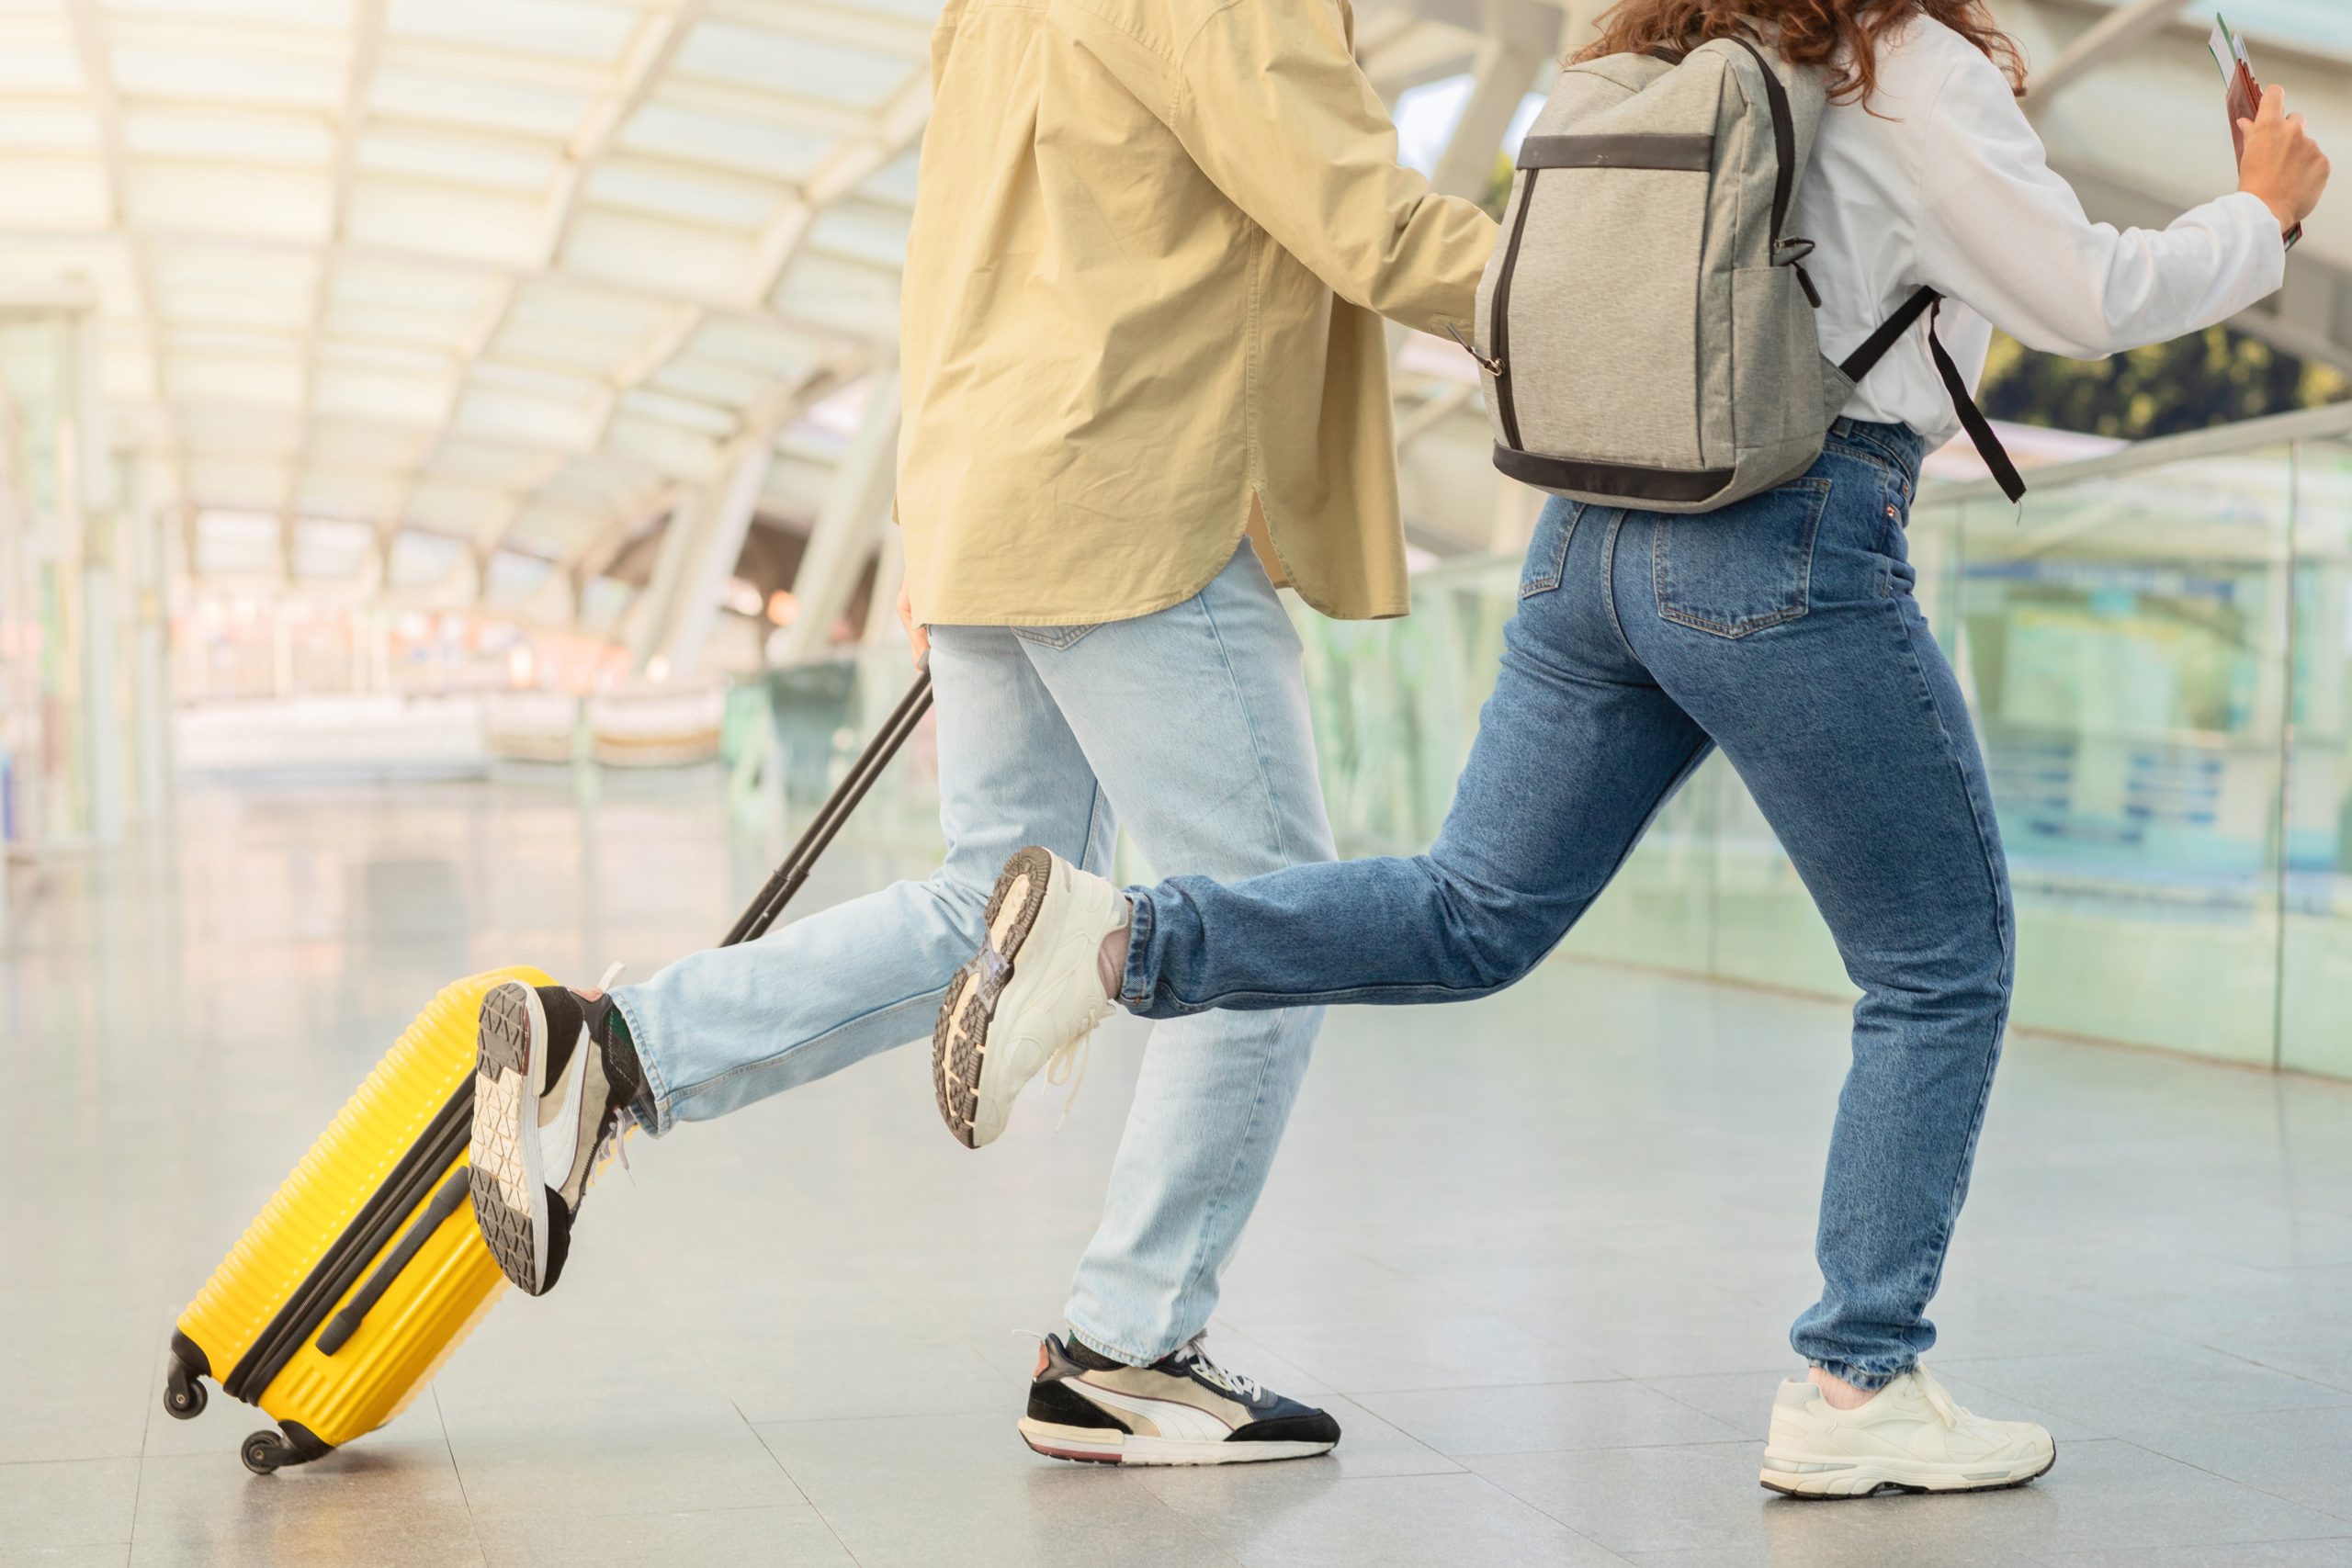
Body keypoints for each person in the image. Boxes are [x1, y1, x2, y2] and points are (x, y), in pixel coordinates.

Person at [932, 0, 2333, 1495]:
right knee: (1939, 960)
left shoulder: (1626, 64)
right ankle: (1860, 1382)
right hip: (1785, 534)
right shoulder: (1904, 71)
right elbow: (2087, 293)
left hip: (1588, 536)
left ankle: (1119, 940)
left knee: (1470, 912)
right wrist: (2262, 214)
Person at [462, 0, 1498, 1469]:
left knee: (982, 911)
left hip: (981, 499)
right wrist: (1607, 298)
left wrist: (918, 536)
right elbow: (1362, 217)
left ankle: (617, 1050)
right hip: (1130, 497)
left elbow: (942, 272)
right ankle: (1128, 1346)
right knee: (1271, 925)